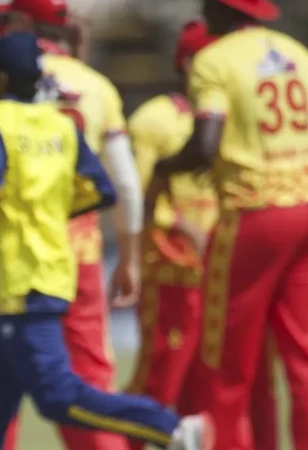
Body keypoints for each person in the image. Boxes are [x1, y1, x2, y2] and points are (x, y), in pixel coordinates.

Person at [0, 30, 212, 450]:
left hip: (21, 281)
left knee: (58, 397)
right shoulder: (60, 125)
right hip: (54, 271)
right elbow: (102, 190)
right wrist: (50, 210)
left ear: (1, 78)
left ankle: (169, 428)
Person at [0, 2, 142, 448]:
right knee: (88, 378)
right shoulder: (97, 85)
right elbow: (124, 184)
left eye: (8, 18)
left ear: (23, 22)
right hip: (78, 254)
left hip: (11, 257)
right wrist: (130, 258)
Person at [146, 0, 308, 448]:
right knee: (301, 357)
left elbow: (205, 142)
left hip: (252, 215)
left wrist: (165, 168)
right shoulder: (296, 51)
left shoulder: (215, 59)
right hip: (304, 210)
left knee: (226, 358)